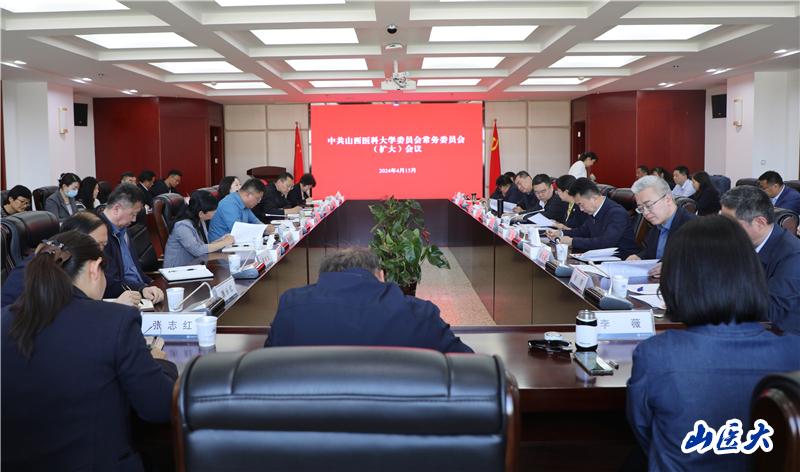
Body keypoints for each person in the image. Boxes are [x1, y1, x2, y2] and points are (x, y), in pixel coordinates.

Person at [626, 215, 800, 472]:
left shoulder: (656, 354)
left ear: (675, 280)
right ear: (752, 274)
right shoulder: (794, 352)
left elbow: (646, 434)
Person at [1, 230, 177, 471]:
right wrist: (158, 362)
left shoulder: (4, 319)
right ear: (94, 268)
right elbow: (159, 407)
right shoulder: (116, 321)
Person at [265, 248, 473, 353]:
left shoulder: (291, 307)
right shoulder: (420, 314)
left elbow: (266, 365)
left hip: (306, 421)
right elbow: (465, 364)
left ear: (322, 276)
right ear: (381, 276)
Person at [2, 212, 142, 308]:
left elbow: (110, 284)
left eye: (104, 245)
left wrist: (142, 289)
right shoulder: (39, 268)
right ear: (77, 238)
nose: (101, 251)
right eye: (97, 244)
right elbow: (62, 316)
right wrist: (113, 309)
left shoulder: (76, 262)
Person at [720, 185, 800, 334]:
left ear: (760, 223)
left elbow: (771, 311)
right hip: (742, 324)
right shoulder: (741, 242)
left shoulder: (793, 255)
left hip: (781, 335)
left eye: (730, 224)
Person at [99, 184, 164, 303]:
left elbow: (136, 271)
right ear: (116, 209)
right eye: (132, 214)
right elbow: (111, 282)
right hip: (122, 298)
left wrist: (151, 284)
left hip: (138, 292)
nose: (134, 220)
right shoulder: (100, 235)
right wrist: (142, 289)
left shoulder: (124, 229)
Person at [546, 178, 639, 258]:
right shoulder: (593, 211)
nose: (581, 209)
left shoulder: (616, 213)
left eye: (581, 204)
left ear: (593, 198)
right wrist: (560, 233)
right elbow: (583, 231)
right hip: (599, 257)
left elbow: (606, 242)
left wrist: (572, 241)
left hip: (621, 260)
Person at [627, 176, 695, 278]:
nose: (645, 213)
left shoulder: (693, 227)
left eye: (649, 205)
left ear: (667, 199)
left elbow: (700, 263)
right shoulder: (657, 225)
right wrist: (638, 257)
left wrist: (672, 268)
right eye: (641, 208)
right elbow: (651, 254)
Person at [163, 191, 235, 268]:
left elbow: (203, 246)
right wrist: (224, 242)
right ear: (201, 213)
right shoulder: (182, 226)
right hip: (177, 270)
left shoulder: (199, 220)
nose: (216, 212)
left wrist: (222, 240)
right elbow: (197, 250)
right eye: (213, 210)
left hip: (194, 266)